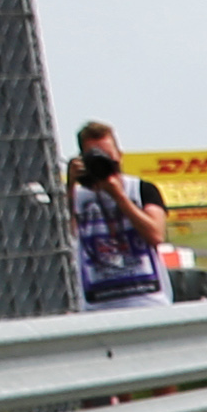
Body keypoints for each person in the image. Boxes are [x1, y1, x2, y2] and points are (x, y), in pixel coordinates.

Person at [66, 120, 168, 309]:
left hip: (147, 300)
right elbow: (63, 239)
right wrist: (70, 185)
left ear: (119, 156)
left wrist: (119, 196)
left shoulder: (141, 189)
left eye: (108, 158)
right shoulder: (78, 197)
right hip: (98, 304)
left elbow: (155, 235)